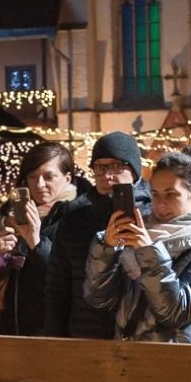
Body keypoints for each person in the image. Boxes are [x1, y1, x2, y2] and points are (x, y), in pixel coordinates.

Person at [84, 147, 191, 341]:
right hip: (127, 357)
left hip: (176, 361)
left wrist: (149, 252)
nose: (161, 204)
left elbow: (177, 312)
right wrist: (107, 249)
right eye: (155, 194)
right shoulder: (139, 233)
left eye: (171, 194)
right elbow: (98, 300)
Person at [43, 131, 153, 338]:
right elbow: (57, 287)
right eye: (100, 167)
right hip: (86, 333)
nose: (106, 174)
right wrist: (54, 338)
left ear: (134, 171)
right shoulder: (75, 216)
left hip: (141, 336)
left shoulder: (153, 214)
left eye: (116, 166)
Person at [0, 142, 87, 336]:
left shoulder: (77, 219)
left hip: (53, 333)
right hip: (10, 329)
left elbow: (69, 280)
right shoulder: (13, 220)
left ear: (67, 178)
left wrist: (36, 241)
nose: (39, 185)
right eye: (32, 177)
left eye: (49, 176)